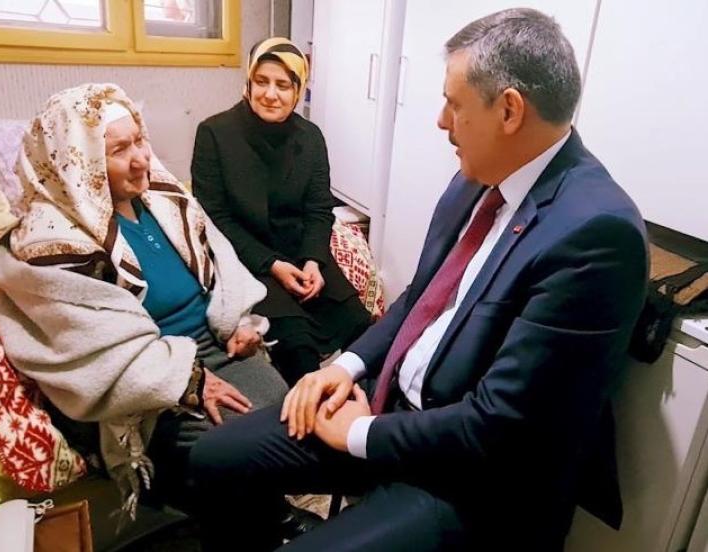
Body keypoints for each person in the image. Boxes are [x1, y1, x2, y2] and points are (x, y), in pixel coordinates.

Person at [188, 8, 649, 551]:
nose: (440, 121)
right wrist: (345, 367)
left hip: (471, 476)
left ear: (509, 110)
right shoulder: (478, 177)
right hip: (392, 408)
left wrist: (358, 433)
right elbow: (419, 299)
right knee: (214, 457)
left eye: (454, 104)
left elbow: (501, 425)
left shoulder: (595, 233)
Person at [0, 83, 289, 520]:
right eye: (119, 150)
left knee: (277, 398)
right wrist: (188, 381)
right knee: (229, 440)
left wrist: (238, 320)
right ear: (81, 163)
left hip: (211, 345)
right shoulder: (51, 245)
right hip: (149, 381)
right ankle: (266, 525)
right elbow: (88, 345)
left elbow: (221, 264)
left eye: (140, 140)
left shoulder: (165, 200)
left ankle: (273, 515)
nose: (141, 158)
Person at [191, 37, 372, 386]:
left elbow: (319, 209)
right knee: (297, 346)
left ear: (297, 90)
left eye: (283, 85)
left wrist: (314, 261)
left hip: (302, 254)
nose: (270, 94)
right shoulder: (214, 133)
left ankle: (370, 410)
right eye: (261, 81)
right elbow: (214, 218)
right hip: (248, 258)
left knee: (361, 328)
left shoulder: (310, 137)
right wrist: (272, 264)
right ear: (248, 83)